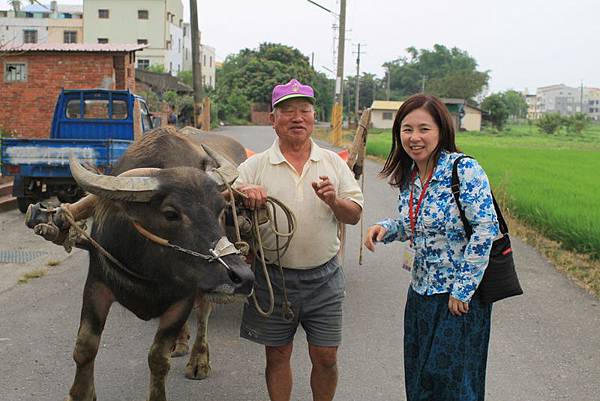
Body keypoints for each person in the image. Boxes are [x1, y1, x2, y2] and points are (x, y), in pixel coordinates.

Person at [364, 94, 499, 401]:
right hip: (421, 293)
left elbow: (485, 228)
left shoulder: (463, 170)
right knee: (421, 377)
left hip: (458, 299)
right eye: (407, 129)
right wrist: (385, 228)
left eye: (424, 129)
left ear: (441, 130)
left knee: (453, 384)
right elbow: (413, 223)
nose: (414, 137)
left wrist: (462, 290)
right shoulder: (411, 175)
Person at [235, 78, 363, 401]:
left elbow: (355, 214)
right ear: (272, 120)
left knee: (326, 357)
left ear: (313, 117)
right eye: (287, 111)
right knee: (277, 356)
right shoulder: (254, 166)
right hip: (273, 277)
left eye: (304, 110)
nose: (297, 117)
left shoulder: (333, 163)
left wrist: (334, 200)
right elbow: (226, 199)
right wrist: (242, 192)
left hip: (324, 278)